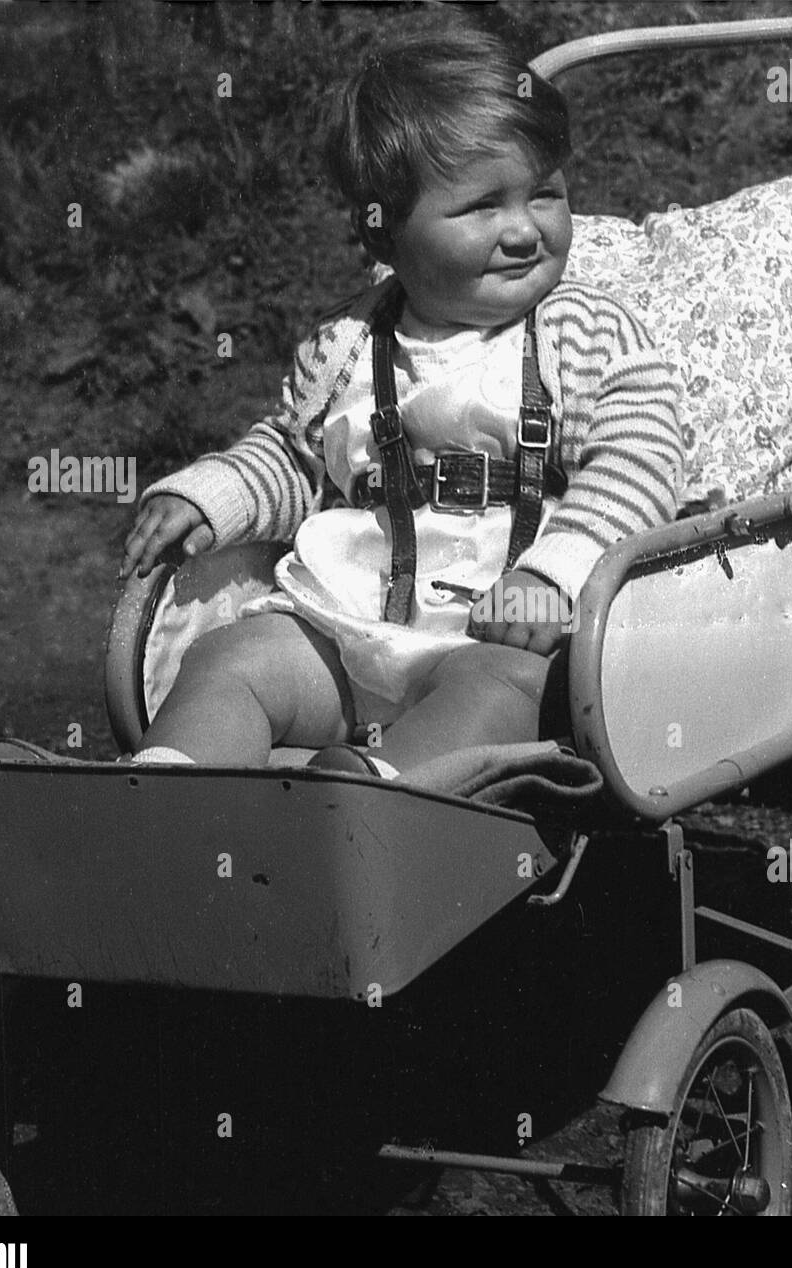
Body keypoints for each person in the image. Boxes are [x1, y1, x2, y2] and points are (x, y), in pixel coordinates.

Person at [119, 23, 683, 777]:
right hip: (351, 627)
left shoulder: (587, 334)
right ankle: (170, 787)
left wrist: (555, 573)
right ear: (384, 234)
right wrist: (210, 496)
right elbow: (297, 458)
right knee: (235, 657)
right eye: (484, 206)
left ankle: (376, 801)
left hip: (505, 640)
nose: (523, 229)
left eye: (545, 194)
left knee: (503, 690)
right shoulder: (348, 343)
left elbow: (641, 460)